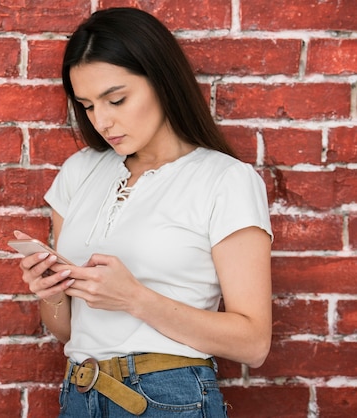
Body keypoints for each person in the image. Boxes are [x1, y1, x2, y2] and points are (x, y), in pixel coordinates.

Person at [14, 7, 272, 417]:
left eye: (116, 99)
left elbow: (254, 343)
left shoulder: (225, 179)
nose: (102, 120)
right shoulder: (79, 172)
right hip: (81, 392)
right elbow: (67, 330)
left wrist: (134, 298)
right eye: (87, 105)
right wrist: (53, 294)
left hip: (168, 397)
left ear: (162, 81)